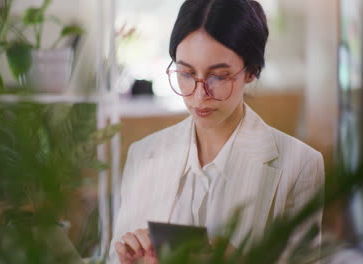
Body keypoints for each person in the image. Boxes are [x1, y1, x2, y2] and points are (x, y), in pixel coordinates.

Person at [109, 0, 325, 263]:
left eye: (219, 77)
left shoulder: (299, 165)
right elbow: (114, 255)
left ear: (251, 72)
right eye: (186, 73)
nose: (199, 96)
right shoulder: (143, 155)